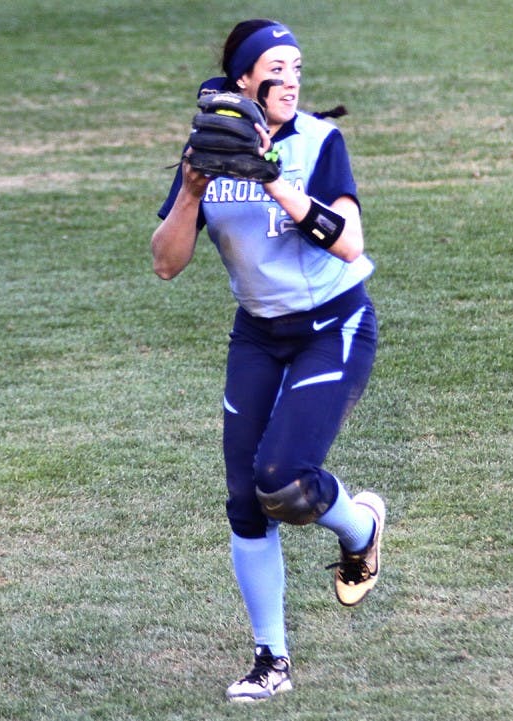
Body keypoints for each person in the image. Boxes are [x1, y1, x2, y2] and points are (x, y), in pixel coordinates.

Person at [151, 18, 386, 703]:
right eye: (277, 67)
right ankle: (271, 659)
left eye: (298, 66)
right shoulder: (208, 149)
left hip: (331, 327)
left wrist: (275, 179)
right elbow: (166, 263)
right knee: (245, 500)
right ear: (244, 80)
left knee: (282, 478)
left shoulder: (318, 140)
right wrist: (193, 189)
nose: (292, 78)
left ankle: (363, 526)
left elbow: (348, 243)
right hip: (257, 334)